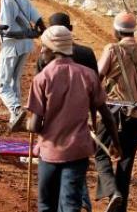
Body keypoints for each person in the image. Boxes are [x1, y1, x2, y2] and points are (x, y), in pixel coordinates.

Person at [26, 25, 122, 212]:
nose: (42, 50)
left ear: (53, 49)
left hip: (50, 152)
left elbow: (35, 125)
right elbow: (107, 116)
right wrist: (116, 143)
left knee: (46, 205)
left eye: (44, 46)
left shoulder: (42, 78)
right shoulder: (88, 75)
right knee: (71, 205)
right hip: (77, 152)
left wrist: (28, 124)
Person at [94, 11, 137, 212]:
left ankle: (113, 192)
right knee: (126, 162)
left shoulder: (112, 49)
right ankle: (119, 205)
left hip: (112, 112)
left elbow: (96, 78)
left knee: (101, 154)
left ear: (116, 30)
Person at [34, 12, 99, 211]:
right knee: (71, 195)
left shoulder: (43, 69)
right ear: (71, 30)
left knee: (46, 203)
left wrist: (34, 125)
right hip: (78, 140)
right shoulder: (87, 55)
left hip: (50, 147)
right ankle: (83, 202)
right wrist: (94, 124)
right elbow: (97, 95)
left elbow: (37, 116)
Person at [0, 0, 45, 131]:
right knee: (14, 80)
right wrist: (36, 32)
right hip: (26, 45)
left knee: (2, 83)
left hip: (11, 46)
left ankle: (16, 108)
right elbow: (38, 20)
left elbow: (6, 27)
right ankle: (14, 117)